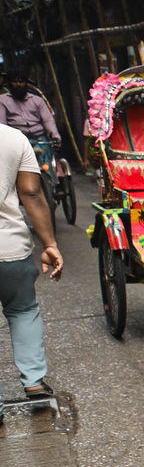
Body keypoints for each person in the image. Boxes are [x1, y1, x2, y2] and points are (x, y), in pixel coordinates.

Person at [0, 121, 63, 404]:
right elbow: (32, 193)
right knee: (23, 310)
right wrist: (49, 243)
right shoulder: (13, 138)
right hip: (10, 247)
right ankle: (34, 383)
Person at [0, 72, 61, 149]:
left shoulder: (37, 100)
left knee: (47, 159)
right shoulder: (2, 100)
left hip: (40, 140)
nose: (18, 84)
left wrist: (55, 135)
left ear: (26, 83)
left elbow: (48, 120)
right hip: (17, 142)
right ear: (10, 83)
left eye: (21, 82)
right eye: (15, 82)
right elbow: (2, 124)